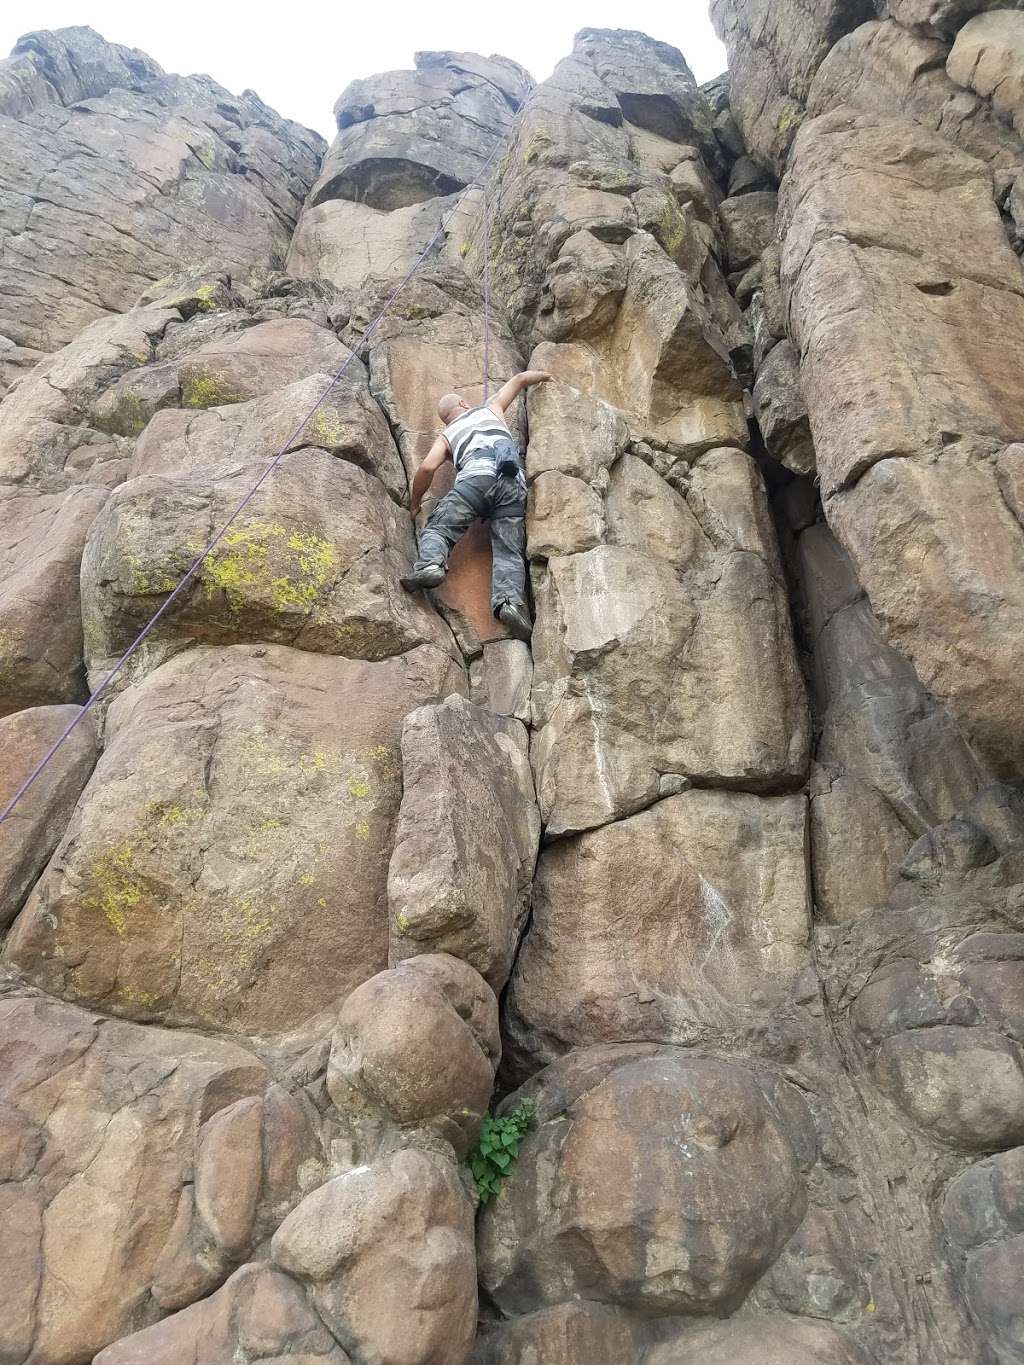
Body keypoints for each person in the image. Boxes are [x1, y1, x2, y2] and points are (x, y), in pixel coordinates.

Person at [400, 370, 552, 641]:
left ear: (446, 418)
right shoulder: (491, 408)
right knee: (508, 548)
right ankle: (508, 604)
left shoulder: (448, 434)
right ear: (463, 404)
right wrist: (546, 375)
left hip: (476, 479)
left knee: (439, 528)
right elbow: (518, 380)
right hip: (511, 482)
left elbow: (426, 467)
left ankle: (431, 565)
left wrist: (414, 503)